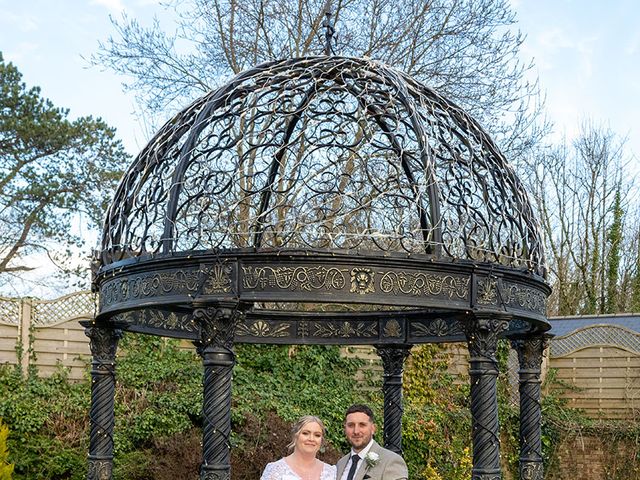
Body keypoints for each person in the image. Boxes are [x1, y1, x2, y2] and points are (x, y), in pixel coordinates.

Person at [336, 404, 408, 480]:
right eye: (351, 425)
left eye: (362, 425)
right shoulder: (341, 464)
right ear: (345, 429)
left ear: (373, 429)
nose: (356, 431)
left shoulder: (391, 461)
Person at [260, 415, 337, 480]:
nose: (311, 439)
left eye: (317, 435)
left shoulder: (331, 473)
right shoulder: (275, 470)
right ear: (295, 436)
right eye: (305, 433)